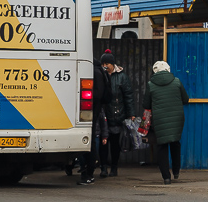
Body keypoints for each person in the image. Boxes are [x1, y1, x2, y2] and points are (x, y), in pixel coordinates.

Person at [143, 60, 188, 185]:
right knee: (175, 143)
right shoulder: (177, 82)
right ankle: (176, 171)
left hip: (160, 119)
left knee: (162, 146)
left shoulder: (151, 85)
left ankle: (166, 177)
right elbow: (186, 99)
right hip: (176, 118)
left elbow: (146, 104)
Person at [100, 50, 137, 178]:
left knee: (115, 144)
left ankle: (114, 168)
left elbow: (128, 96)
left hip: (116, 115)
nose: (105, 66)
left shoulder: (122, 77)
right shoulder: (100, 75)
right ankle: (103, 167)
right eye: (103, 63)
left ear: (112, 64)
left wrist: (131, 113)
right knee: (103, 143)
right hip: (103, 116)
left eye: (107, 63)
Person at [78, 53, 114, 185]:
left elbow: (97, 94)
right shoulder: (99, 71)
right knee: (91, 139)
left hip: (92, 110)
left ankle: (88, 173)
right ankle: (88, 171)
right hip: (95, 109)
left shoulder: (95, 72)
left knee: (91, 141)